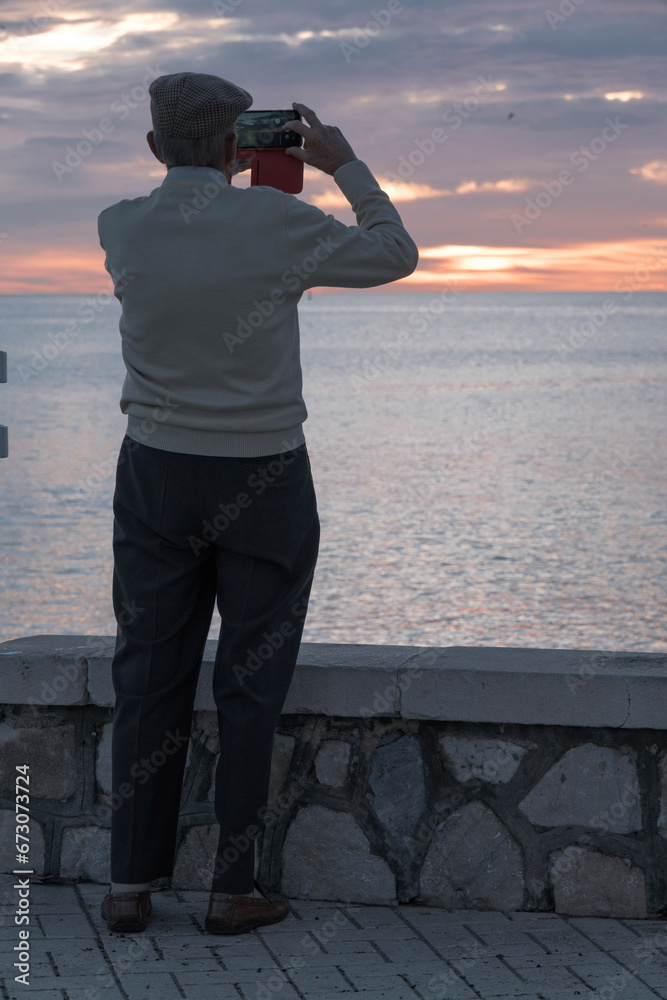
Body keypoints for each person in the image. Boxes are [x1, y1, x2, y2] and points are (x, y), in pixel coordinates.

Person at [97, 71, 418, 935]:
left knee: (147, 675)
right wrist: (343, 165)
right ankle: (231, 887)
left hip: (157, 474)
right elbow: (395, 253)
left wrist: (239, 183)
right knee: (250, 683)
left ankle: (131, 884)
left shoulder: (118, 227)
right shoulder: (280, 223)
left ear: (157, 148)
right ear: (243, 148)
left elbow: (193, 244)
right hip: (263, 479)